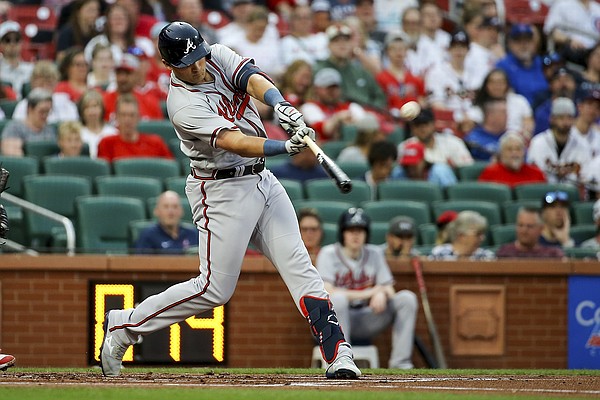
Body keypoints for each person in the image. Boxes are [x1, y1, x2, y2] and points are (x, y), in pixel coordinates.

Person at [99, 21, 361, 380]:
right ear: (170, 65)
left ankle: (338, 353)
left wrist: (280, 104)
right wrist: (283, 146)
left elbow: (252, 77)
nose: (197, 66)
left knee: (301, 268)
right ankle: (125, 325)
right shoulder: (181, 105)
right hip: (220, 191)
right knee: (214, 289)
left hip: (262, 180)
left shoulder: (216, 54)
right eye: (187, 62)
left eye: (198, 56)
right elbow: (233, 141)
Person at [315, 208, 418, 369]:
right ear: (342, 233)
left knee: (406, 298)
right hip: (333, 323)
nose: (355, 235)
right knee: (338, 299)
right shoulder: (328, 253)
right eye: (350, 230)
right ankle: (341, 360)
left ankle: (400, 363)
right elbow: (328, 292)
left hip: (366, 317)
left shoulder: (375, 253)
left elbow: (390, 289)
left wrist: (382, 292)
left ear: (367, 233)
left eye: (360, 230)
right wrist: (372, 291)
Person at [314, 23, 387, 112]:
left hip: (366, 113)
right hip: (335, 113)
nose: (342, 44)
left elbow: (379, 96)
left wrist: (373, 110)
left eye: (346, 40)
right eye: (336, 41)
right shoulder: (319, 68)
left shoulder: (359, 71)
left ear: (351, 44)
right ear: (328, 45)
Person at [527, 97, 592, 185]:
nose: (566, 122)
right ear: (552, 119)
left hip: (572, 195)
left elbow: (586, 176)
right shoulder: (538, 143)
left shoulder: (582, 144)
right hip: (544, 193)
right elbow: (533, 175)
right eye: (561, 117)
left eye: (569, 118)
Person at [97, 94, 173, 162]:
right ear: (116, 117)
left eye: (132, 115)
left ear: (138, 117)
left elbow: (170, 169)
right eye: (123, 115)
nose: (127, 120)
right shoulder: (107, 144)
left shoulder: (156, 143)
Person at [399, 108, 474, 169]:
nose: (422, 129)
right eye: (417, 125)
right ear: (412, 128)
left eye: (425, 124)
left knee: (439, 170)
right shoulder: (405, 147)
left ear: (433, 125)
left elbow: (467, 167)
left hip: (447, 184)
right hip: (417, 184)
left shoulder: (453, 142)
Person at [495, 23, 548, 107]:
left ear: (534, 43)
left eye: (527, 40)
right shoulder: (503, 66)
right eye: (518, 41)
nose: (523, 45)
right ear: (510, 44)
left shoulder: (542, 62)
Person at [12, 61, 80, 124]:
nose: (45, 88)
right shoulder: (23, 106)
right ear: (32, 83)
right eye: (41, 84)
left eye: (49, 84)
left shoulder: (66, 104)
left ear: (56, 83)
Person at [102, 53, 164, 122]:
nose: (122, 78)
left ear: (136, 75)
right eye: (119, 73)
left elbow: (158, 131)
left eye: (127, 73)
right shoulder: (104, 101)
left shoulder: (150, 102)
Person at [134, 190, 199, 254]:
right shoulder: (148, 236)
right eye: (166, 207)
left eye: (175, 207)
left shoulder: (193, 233)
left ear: (181, 211)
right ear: (156, 211)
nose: (171, 212)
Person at [1, 89, 57, 156]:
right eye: (42, 111)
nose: (45, 115)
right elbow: (12, 155)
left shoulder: (50, 130)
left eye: (47, 111)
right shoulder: (15, 128)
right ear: (30, 109)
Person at [478, 131, 546, 187]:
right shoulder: (489, 173)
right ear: (501, 153)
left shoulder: (536, 174)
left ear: (524, 152)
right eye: (509, 149)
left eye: (518, 149)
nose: (514, 153)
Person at [496, 207, 565, 258]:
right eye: (520, 225)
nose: (524, 230)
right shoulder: (504, 253)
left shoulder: (553, 255)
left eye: (529, 226)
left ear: (541, 229)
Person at [429, 210, 496, 260]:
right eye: (477, 234)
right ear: (461, 235)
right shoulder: (440, 253)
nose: (482, 238)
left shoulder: (486, 256)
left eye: (482, 233)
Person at [78, 89, 118, 159]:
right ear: (82, 111)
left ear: (102, 109)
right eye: (87, 107)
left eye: (95, 106)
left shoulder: (113, 133)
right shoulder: (78, 133)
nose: (92, 111)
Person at [0, 20, 34, 99]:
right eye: (7, 40)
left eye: (17, 39)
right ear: (1, 43)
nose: (12, 44)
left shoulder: (31, 68)